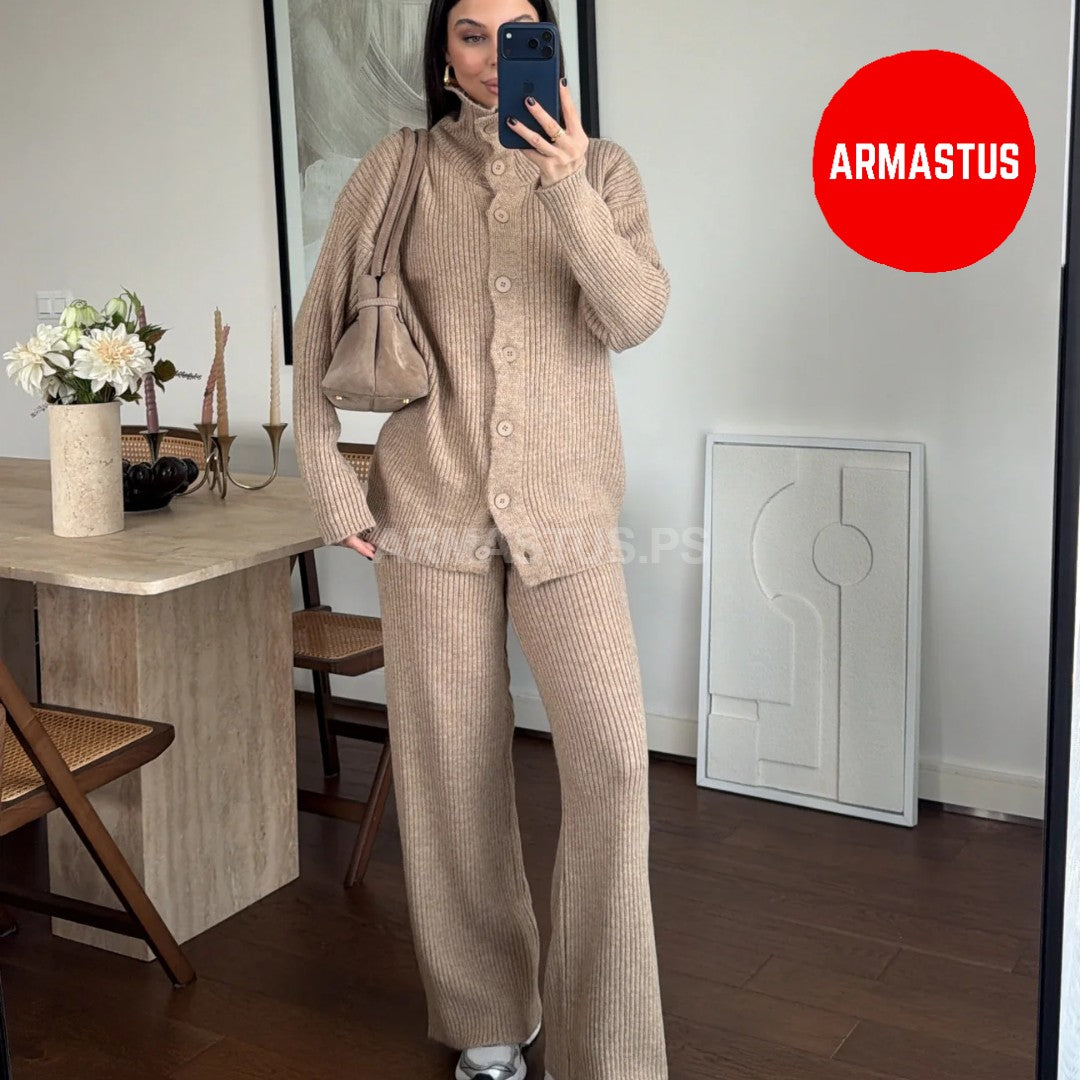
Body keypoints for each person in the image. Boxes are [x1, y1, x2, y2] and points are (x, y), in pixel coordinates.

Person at [292, 2, 671, 1077]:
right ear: (443, 53)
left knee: (613, 763)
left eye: (519, 35)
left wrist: (565, 185)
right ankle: (486, 1016)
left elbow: (635, 316)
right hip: (432, 512)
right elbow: (317, 326)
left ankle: (609, 1045)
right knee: (451, 771)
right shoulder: (399, 166)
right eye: (471, 34)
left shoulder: (605, 171)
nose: (496, 58)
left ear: (551, 48)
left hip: (568, 518)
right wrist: (329, 477)